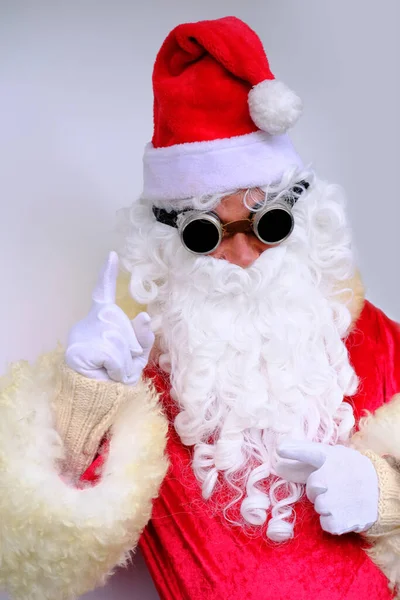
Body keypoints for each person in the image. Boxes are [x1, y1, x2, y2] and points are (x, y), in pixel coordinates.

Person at [1, 15, 400, 600]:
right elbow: (45, 555)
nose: (241, 253)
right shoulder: (139, 380)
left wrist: (385, 498)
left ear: (306, 219)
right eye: (203, 234)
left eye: (269, 224)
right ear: (166, 243)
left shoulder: (377, 342)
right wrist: (83, 400)